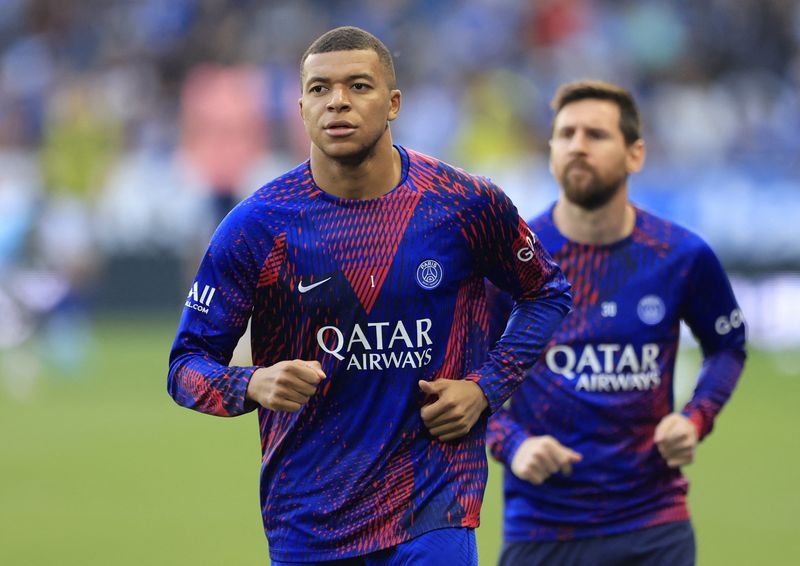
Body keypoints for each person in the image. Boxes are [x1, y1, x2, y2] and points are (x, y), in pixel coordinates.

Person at [167, 26, 572, 565]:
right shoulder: (257, 227)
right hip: (308, 520)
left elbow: (547, 292)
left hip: (432, 509)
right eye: (319, 89)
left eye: (359, 86)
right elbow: (185, 367)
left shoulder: (465, 205)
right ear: (301, 107)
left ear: (393, 103)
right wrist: (252, 383)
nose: (337, 101)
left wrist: (484, 389)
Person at [487, 79, 747, 566]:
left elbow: (728, 346)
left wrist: (695, 419)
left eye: (595, 134)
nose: (577, 146)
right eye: (565, 134)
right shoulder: (515, 259)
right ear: (550, 152)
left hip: (654, 525)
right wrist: (512, 444)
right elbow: (463, 371)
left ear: (635, 154)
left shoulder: (680, 255)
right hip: (544, 527)